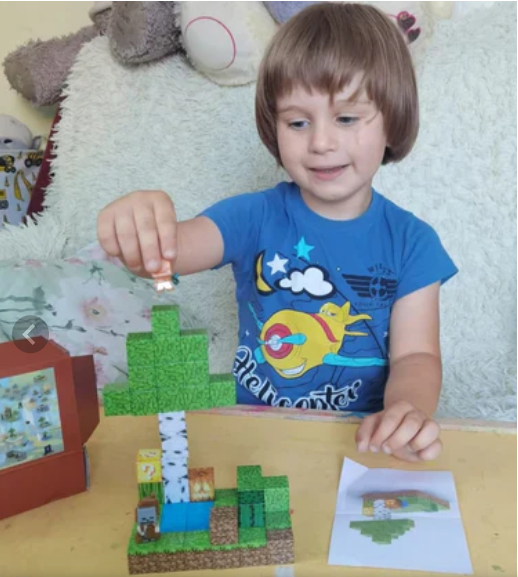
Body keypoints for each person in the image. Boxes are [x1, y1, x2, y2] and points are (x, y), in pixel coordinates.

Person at [97, 3, 457, 462]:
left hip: (363, 445)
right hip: (255, 440)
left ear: (393, 120)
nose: (321, 142)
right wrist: (142, 229)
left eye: (347, 118)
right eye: (298, 122)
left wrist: (407, 410)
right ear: (275, 128)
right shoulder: (253, 216)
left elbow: (415, 357)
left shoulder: (413, 242)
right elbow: (167, 258)